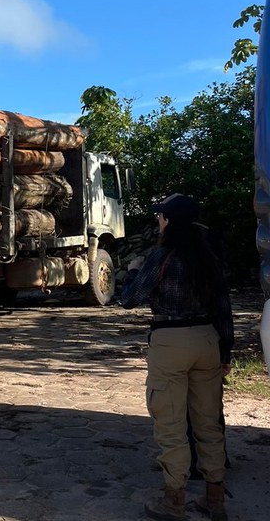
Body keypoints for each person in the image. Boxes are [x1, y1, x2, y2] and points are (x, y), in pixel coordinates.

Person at [121, 193, 234, 521]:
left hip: (170, 341)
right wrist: (225, 350)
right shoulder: (209, 258)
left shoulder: (160, 256)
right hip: (207, 339)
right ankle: (215, 500)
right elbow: (223, 309)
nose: (158, 221)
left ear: (168, 221)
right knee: (208, 422)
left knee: (170, 423)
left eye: (160, 217)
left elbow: (129, 299)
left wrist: (131, 271)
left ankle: (174, 501)